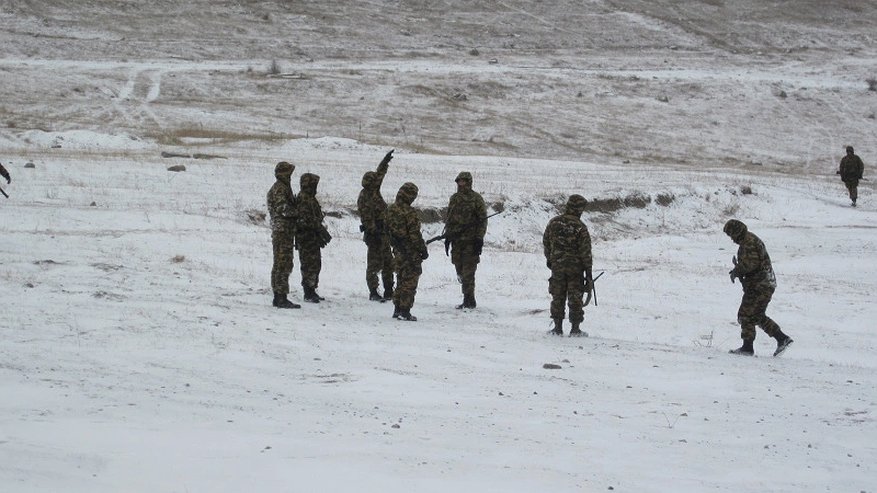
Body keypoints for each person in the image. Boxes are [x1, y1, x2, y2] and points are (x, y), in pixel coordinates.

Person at [723, 219, 793, 356]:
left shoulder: (748, 242)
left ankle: (748, 348)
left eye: (731, 235)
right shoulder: (748, 240)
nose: (732, 239)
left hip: (760, 285)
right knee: (756, 315)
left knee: (746, 314)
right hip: (763, 284)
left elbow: (751, 265)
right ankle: (781, 339)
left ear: (737, 232)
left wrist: (738, 270)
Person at [542, 194, 593, 337]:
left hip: (557, 267)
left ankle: (557, 328)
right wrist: (588, 271)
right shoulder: (580, 227)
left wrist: (550, 259)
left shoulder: (554, 222)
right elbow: (585, 252)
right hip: (575, 269)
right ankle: (575, 329)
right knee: (575, 297)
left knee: (557, 296)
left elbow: (546, 242)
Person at [385, 182, 428, 321]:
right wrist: (422, 250)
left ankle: (397, 309)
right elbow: (414, 235)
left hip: (397, 251)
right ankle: (405, 311)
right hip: (410, 252)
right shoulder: (409, 213)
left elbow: (386, 230)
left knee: (400, 279)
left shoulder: (390, 209)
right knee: (409, 281)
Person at [443, 171, 487, 309]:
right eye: (459, 181)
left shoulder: (476, 199)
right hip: (457, 241)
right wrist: (448, 236)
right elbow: (449, 218)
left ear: (469, 182)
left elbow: (482, 221)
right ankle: (467, 296)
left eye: (463, 181)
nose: (461, 184)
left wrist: (479, 238)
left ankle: (469, 299)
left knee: (469, 272)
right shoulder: (454, 198)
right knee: (459, 269)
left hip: (470, 242)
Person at [357, 150, 395, 301]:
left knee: (388, 263)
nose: (376, 182)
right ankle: (373, 291)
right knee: (374, 264)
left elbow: (380, 174)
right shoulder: (364, 197)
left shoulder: (374, 191)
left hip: (383, 233)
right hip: (374, 235)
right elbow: (367, 219)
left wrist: (385, 162)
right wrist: (375, 232)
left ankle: (389, 290)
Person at [266, 161, 301, 309]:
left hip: (284, 231)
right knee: (283, 264)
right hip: (282, 231)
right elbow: (283, 209)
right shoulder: (280, 189)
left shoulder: (282, 188)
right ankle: (280, 297)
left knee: (282, 263)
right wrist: (298, 212)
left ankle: (279, 296)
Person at [295, 173, 331, 303]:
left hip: (312, 237)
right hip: (306, 237)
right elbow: (304, 220)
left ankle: (312, 288)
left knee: (315, 263)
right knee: (309, 264)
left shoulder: (310, 198)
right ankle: (308, 292)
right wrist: (317, 227)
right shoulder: (304, 198)